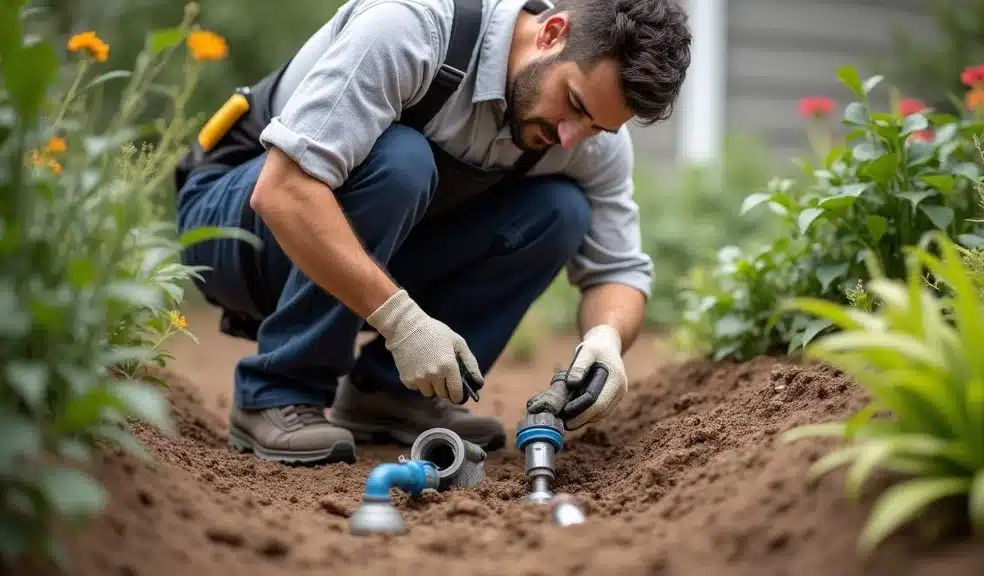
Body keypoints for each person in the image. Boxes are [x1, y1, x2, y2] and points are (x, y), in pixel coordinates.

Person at [175, 0, 692, 466]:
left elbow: (618, 270)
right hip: (235, 225)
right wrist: (402, 322)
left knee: (561, 210)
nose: (571, 137)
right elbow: (282, 190)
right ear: (552, 33)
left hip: (368, 249)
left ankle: (390, 398)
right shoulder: (412, 29)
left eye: (598, 127)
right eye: (575, 104)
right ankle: (277, 388)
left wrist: (606, 340)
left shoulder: (584, 138)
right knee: (402, 161)